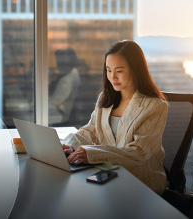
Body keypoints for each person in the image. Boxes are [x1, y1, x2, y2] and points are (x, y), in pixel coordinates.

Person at [61, 40, 168, 195]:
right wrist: (71, 146)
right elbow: (90, 130)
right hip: (108, 175)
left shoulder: (155, 106)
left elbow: (139, 152)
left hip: (141, 183)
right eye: (108, 70)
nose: (112, 77)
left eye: (119, 70)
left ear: (135, 70)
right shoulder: (106, 97)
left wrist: (92, 153)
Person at [48, 48, 81, 125]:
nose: (57, 65)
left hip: (62, 118)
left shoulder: (66, 80)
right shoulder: (75, 74)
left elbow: (53, 103)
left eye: (60, 62)